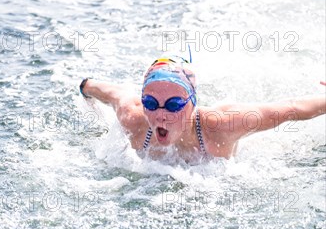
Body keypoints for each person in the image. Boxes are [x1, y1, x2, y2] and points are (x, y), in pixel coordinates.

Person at [79, 57, 326, 162]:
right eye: (151, 103)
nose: (161, 114)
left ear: (193, 104)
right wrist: (86, 86)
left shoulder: (225, 125)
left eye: (175, 104)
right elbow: (114, 94)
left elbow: (291, 108)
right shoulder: (135, 119)